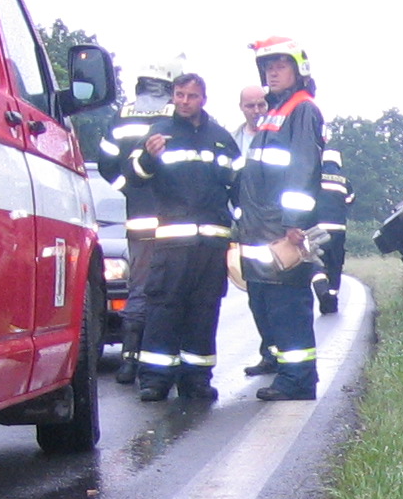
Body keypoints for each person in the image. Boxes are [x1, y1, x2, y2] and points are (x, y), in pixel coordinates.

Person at [125, 72, 239, 402]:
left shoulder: (220, 138)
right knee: (163, 309)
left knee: (204, 312)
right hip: (172, 243)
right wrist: (148, 156)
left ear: (204, 99)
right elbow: (133, 177)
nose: (185, 101)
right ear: (173, 96)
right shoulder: (158, 133)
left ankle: (197, 379)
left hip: (210, 245)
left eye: (192, 96)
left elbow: (238, 185)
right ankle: (155, 380)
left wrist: (243, 232)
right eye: (180, 95)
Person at [234, 37, 325, 401]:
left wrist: (293, 222)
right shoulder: (275, 111)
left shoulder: (300, 109)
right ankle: (288, 373)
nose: (272, 72)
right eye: (267, 66)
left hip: (281, 229)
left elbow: (302, 169)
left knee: (289, 306)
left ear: (298, 69)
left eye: (280, 65)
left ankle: (298, 379)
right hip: (261, 228)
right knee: (270, 304)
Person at [97, 61, 183, 383]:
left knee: (140, 287)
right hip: (174, 218)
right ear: (168, 86)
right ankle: (162, 360)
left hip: (138, 218)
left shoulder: (122, 115)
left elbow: (106, 163)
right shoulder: (178, 114)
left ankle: (129, 360)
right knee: (171, 291)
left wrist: (130, 188)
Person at [230, 85, 280, 378]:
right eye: (251, 106)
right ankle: (269, 353)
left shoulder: (277, 135)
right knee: (257, 295)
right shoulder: (232, 141)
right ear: (241, 108)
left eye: (262, 104)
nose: (257, 110)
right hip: (246, 231)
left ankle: (281, 353)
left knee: (278, 293)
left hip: (273, 228)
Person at [311, 145, 354, 315]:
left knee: (316, 263)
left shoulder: (313, 177)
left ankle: (322, 289)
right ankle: (332, 298)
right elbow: (350, 200)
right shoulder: (344, 181)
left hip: (317, 230)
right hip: (338, 231)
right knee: (336, 265)